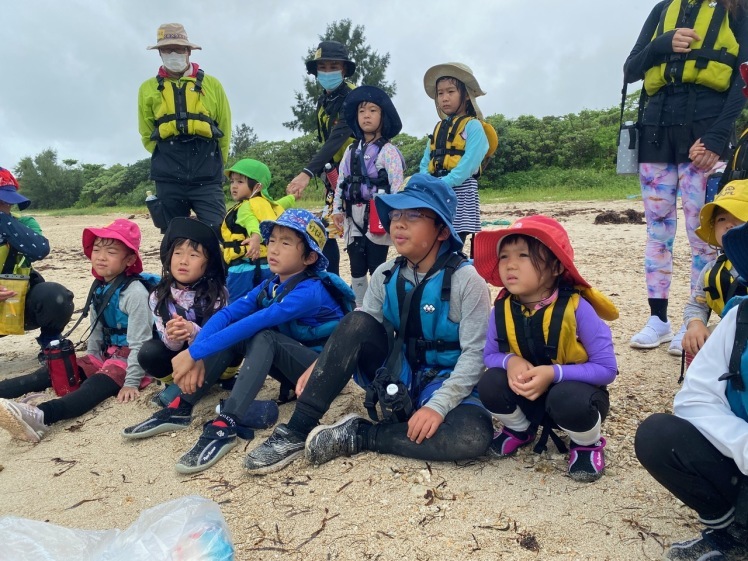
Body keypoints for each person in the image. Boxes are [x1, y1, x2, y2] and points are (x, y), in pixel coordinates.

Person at [242, 174, 494, 475]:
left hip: (446, 379)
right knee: (358, 319)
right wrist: (324, 362)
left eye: (413, 216)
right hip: (397, 373)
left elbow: (474, 356)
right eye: (396, 214)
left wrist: (437, 406)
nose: (398, 223)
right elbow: (358, 329)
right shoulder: (387, 273)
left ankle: (360, 435)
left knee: (473, 436)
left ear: (441, 230)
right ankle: (296, 431)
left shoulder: (468, 281)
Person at [125, 209, 348, 474]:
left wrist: (194, 352)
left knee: (261, 334)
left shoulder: (310, 291)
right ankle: (182, 406)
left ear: (310, 257)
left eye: (286, 243)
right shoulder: (273, 284)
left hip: (321, 375)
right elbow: (228, 314)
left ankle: (228, 422)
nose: (273, 249)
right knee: (239, 330)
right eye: (273, 240)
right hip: (294, 366)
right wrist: (196, 354)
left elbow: (257, 321)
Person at [624, 0, 748, 355]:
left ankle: (693, 323)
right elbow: (631, 69)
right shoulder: (663, 9)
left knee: (703, 234)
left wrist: (717, 136)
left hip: (703, 137)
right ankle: (658, 320)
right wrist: (661, 44)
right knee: (657, 231)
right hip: (655, 135)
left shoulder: (738, 10)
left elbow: (742, 80)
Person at [472, 216, 619, 482]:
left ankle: (587, 443)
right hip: (527, 393)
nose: (510, 265)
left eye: (523, 255)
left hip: (575, 394)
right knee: (489, 382)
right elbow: (490, 355)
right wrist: (511, 361)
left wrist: (553, 374)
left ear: (555, 267)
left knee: (567, 398)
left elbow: (607, 369)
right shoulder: (502, 309)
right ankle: (520, 430)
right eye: (503, 256)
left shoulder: (577, 308)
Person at [634, 220, 748, 560]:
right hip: (741, 458)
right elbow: (694, 398)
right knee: (658, 435)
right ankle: (729, 529)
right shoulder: (738, 318)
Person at [0, 219, 153, 442]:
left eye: (111, 252)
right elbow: (96, 330)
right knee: (54, 371)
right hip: (106, 353)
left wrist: (131, 381)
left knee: (95, 385)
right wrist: (90, 359)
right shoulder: (100, 286)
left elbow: (141, 341)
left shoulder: (135, 293)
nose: (100, 256)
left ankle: (41, 416)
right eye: (97, 249)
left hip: (130, 358)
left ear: (129, 260)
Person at [126, 216, 228, 411]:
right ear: (169, 257)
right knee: (149, 352)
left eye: (194, 255)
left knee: (229, 339)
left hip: (210, 353)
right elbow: (169, 345)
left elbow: (218, 336)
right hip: (179, 356)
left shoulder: (218, 293)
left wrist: (192, 331)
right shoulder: (158, 294)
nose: (183, 261)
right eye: (178, 253)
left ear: (208, 264)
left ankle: (215, 378)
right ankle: (180, 381)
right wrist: (174, 335)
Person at [138, 23, 231, 235]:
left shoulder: (213, 85)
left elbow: (224, 129)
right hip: (168, 175)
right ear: (159, 53)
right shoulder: (147, 89)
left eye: (179, 49)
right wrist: (168, 159)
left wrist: (217, 164)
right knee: (173, 234)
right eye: (167, 49)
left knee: (217, 231)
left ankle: (216, 269)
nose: (173, 54)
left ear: (188, 51)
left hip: (207, 173)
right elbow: (146, 133)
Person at [286, 40, 358, 275]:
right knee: (327, 231)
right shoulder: (323, 102)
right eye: (323, 67)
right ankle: (332, 281)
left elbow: (336, 139)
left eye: (333, 66)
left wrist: (306, 173)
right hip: (334, 175)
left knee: (356, 234)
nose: (328, 72)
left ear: (344, 69)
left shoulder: (353, 98)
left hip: (358, 174)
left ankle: (361, 293)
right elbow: (325, 143)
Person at [332, 85, 406, 306]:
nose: (367, 115)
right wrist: (337, 209)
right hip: (352, 216)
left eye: (373, 110)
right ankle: (360, 306)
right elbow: (341, 181)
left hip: (377, 215)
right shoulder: (350, 151)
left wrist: (396, 216)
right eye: (362, 111)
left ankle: (378, 306)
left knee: (377, 265)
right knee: (356, 265)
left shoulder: (388, 151)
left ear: (383, 117)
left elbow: (397, 186)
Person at [0, 167, 74, 350]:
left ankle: (50, 343)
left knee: (55, 296)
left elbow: (40, 250)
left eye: (7, 202)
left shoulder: (24, 223)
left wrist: (5, 222)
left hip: (15, 303)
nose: (5, 207)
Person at [420, 63, 490, 250]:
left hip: (461, 190)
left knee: (453, 244)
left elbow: (469, 163)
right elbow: (427, 159)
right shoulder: (439, 128)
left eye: (450, 91)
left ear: (466, 94)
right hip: (436, 190)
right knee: (433, 243)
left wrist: (446, 182)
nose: (445, 98)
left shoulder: (473, 126)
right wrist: (425, 181)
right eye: (440, 93)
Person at [682, 179, 748, 359]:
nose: (729, 224)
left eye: (740, 216)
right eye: (722, 218)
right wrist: (695, 324)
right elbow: (696, 304)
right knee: (696, 340)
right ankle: (699, 385)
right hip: (732, 332)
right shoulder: (712, 270)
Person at [221, 159, 297, 302]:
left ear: (257, 186)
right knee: (266, 300)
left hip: (242, 268)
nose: (234, 186)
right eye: (232, 182)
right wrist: (293, 197)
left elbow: (252, 223)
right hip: (266, 265)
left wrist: (255, 237)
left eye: (240, 182)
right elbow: (281, 204)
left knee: (238, 304)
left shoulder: (245, 207)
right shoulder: (267, 204)